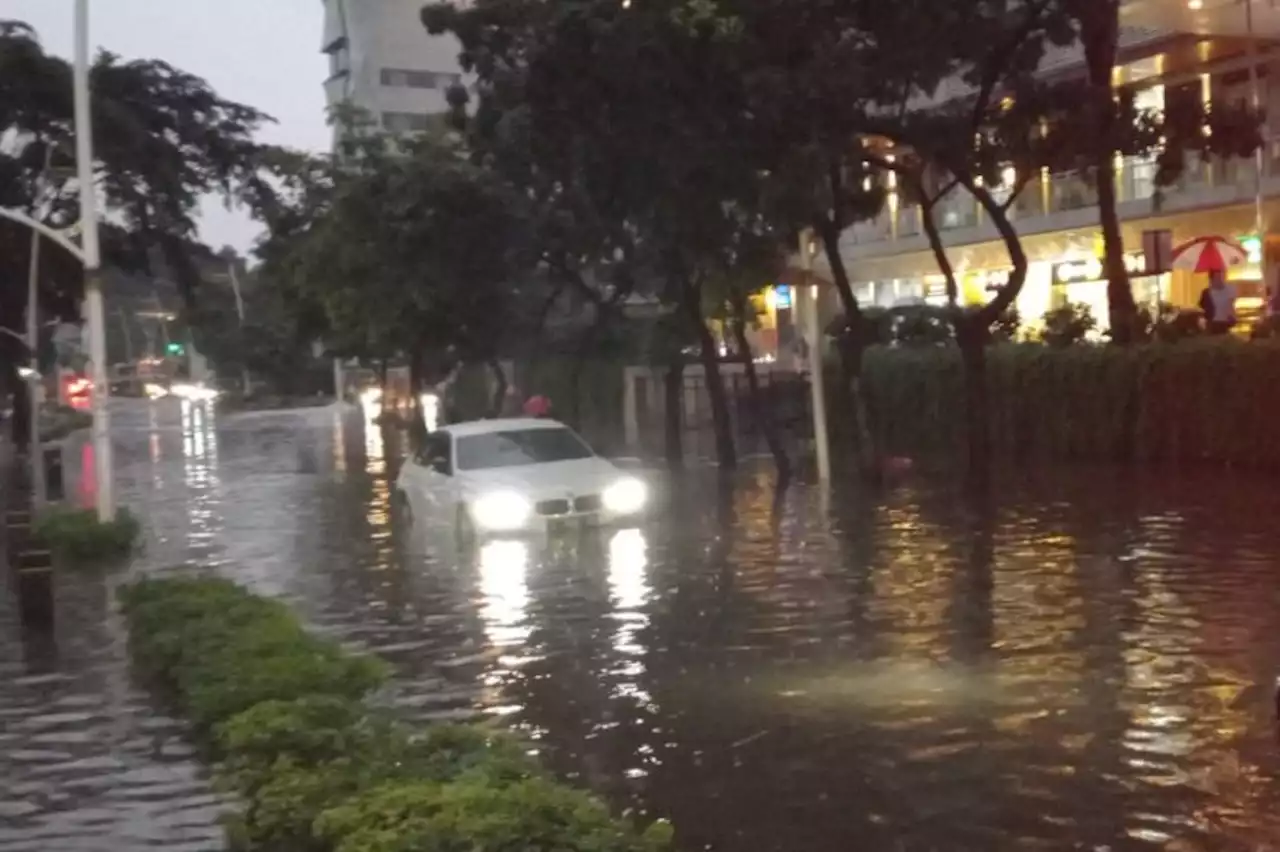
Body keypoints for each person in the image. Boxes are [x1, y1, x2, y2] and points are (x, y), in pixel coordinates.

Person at [1198, 270, 1237, 334]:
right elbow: (1202, 307)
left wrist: (1232, 316)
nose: (1220, 279)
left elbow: (1231, 305)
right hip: (1212, 323)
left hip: (1225, 322)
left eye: (1221, 277)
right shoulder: (1207, 292)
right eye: (1217, 277)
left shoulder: (1229, 289)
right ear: (1212, 279)